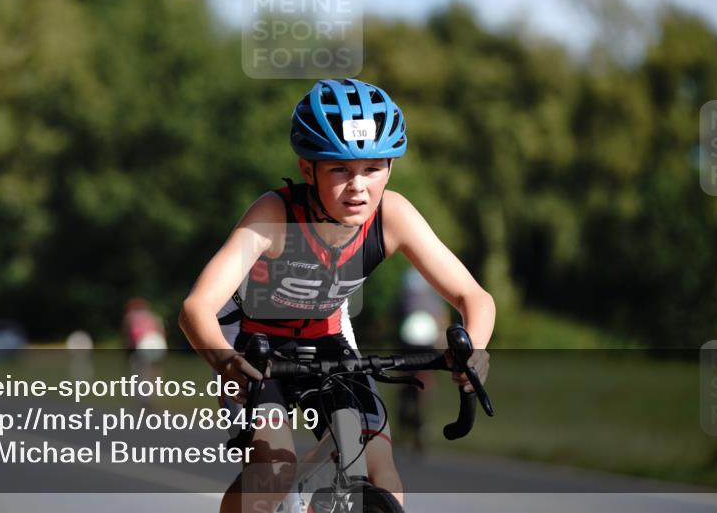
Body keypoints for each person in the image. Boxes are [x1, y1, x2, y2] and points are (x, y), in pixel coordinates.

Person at [179, 78, 495, 513]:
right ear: (308, 169)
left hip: (325, 336)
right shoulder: (274, 215)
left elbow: (473, 296)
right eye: (340, 170)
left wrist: (474, 348)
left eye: (373, 169)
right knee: (273, 471)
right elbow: (196, 307)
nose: (358, 186)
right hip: (252, 343)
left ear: (390, 168)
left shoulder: (392, 215)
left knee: (381, 473)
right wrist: (225, 362)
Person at [396, 267, 450, 451]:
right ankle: (422, 422)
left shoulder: (404, 298)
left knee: (404, 378)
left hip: (408, 343)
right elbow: (442, 321)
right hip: (427, 344)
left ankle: (405, 416)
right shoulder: (433, 299)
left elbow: (394, 319)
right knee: (425, 380)